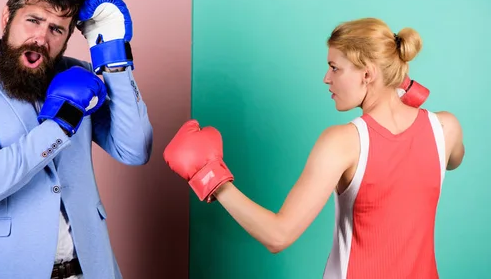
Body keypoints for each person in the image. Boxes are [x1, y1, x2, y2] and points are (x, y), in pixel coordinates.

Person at [163, 18, 465, 279]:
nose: (326, 78)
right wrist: (399, 95)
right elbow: (451, 160)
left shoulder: (344, 142)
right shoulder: (446, 128)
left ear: (368, 74)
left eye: (335, 68)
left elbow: (278, 236)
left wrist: (211, 177)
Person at [0, 0, 153, 279]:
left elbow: (134, 150)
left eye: (56, 29)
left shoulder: (79, 77)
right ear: (7, 18)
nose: (41, 38)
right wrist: (61, 122)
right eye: (33, 20)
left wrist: (113, 57)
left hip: (89, 269)